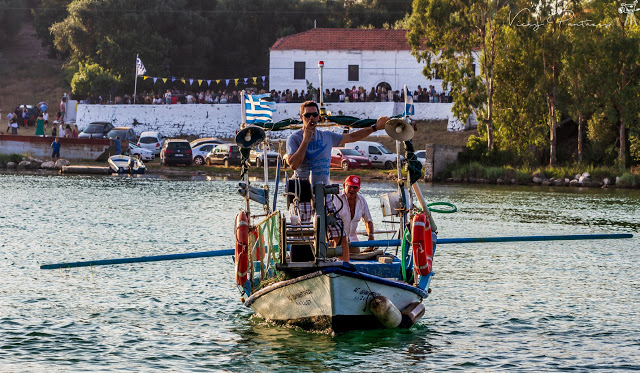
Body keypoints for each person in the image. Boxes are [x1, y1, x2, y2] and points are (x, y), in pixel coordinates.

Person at [286, 100, 389, 262]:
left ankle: (343, 267)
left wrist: (375, 127)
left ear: (319, 117)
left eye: (314, 114)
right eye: (307, 115)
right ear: (301, 117)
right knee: (304, 233)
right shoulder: (294, 139)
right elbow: (293, 164)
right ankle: (306, 265)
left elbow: (353, 136)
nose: (311, 118)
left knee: (339, 230)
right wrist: (306, 140)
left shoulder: (326, 136)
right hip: (304, 193)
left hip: (325, 193)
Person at [337, 175, 374, 249]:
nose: (352, 189)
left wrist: (371, 237)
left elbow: (368, 221)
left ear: (359, 188)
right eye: (350, 186)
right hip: (336, 241)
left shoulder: (362, 200)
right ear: (344, 185)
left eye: (355, 187)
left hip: (353, 242)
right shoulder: (335, 198)